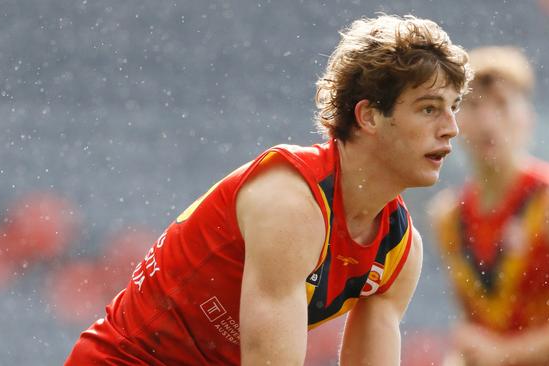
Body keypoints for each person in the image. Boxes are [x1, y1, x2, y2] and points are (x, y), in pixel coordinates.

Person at [66, 14, 471, 365]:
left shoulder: (400, 249)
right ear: (368, 116)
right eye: (429, 108)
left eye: (453, 108)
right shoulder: (291, 204)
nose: (451, 128)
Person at [430, 46, 549, 366]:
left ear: (527, 116)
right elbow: (476, 324)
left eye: (501, 104)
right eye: (472, 105)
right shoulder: (448, 217)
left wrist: (505, 355)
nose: (487, 122)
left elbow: (496, 350)